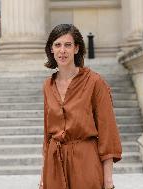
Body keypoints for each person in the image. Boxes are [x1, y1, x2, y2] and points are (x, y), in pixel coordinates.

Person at [39, 24, 122, 189]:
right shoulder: (48, 85)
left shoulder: (95, 82)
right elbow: (47, 137)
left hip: (86, 165)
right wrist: (43, 179)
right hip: (54, 168)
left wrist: (108, 182)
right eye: (57, 45)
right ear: (51, 49)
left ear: (76, 49)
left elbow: (108, 134)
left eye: (68, 45)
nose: (62, 50)